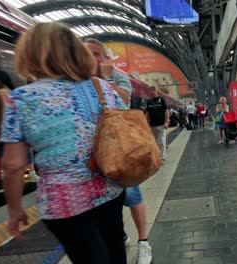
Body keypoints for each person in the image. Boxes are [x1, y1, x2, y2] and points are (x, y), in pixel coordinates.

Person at [0, 22, 126, 263]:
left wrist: (15, 209)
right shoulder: (102, 88)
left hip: (65, 202)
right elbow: (124, 128)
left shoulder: (21, 99)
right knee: (115, 251)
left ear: (31, 54)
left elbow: (13, 165)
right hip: (109, 188)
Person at [84, 38, 152, 264]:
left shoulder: (118, 76)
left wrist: (102, 77)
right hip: (93, 154)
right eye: (87, 54)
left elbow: (122, 102)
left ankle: (144, 242)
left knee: (133, 195)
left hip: (120, 148)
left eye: (96, 54)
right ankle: (119, 235)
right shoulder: (78, 78)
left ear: (105, 57)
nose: (92, 58)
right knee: (105, 203)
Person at [146, 87, 169, 161]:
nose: (152, 92)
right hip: (152, 124)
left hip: (161, 124)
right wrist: (147, 123)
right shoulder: (149, 101)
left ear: (156, 91)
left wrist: (166, 122)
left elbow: (166, 111)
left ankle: (162, 156)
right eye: (150, 91)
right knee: (155, 141)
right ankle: (158, 155)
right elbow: (147, 113)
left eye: (153, 90)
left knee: (161, 140)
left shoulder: (161, 100)